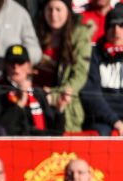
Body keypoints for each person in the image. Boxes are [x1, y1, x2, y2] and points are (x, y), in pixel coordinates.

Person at [0, 44, 64, 135]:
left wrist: (59, 111)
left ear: (29, 66)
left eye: (20, 63)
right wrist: (20, 102)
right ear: (5, 65)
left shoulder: (38, 93)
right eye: (12, 63)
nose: (16, 67)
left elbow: (55, 134)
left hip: (41, 146)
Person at [35, 0, 93, 133]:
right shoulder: (36, 32)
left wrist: (54, 96)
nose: (53, 14)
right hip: (36, 102)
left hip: (64, 106)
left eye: (58, 9)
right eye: (50, 9)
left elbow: (80, 75)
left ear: (68, 10)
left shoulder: (79, 35)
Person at [80, 6, 123, 135]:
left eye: (121, 26)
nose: (116, 31)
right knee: (99, 135)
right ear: (105, 29)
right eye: (112, 26)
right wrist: (115, 121)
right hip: (102, 119)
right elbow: (90, 94)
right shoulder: (94, 54)